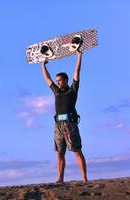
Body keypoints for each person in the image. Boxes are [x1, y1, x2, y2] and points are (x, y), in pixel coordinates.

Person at [41, 50, 88, 183]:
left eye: (60, 80)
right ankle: (60, 178)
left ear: (66, 80)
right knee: (60, 153)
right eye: (58, 81)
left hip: (70, 124)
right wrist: (43, 64)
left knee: (77, 150)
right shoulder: (56, 91)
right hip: (58, 125)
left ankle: (84, 178)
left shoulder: (72, 90)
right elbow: (47, 79)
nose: (58, 82)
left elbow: (77, 72)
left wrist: (79, 55)